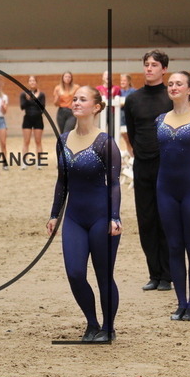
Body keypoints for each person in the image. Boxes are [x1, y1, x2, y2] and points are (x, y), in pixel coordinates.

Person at [46, 86, 122, 342]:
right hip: (74, 218)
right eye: (75, 99)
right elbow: (62, 181)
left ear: (96, 107)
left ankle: (108, 329)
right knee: (75, 273)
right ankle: (91, 323)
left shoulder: (105, 142)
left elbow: (114, 184)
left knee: (103, 276)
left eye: (83, 99)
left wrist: (114, 217)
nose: (76, 102)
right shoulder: (63, 140)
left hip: (102, 217)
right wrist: (55, 214)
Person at [156, 72, 190, 321]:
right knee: (174, 246)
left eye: (179, 83)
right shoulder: (159, 120)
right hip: (165, 189)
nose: (173, 87)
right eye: (170, 84)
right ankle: (180, 303)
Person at [124, 49, 173, 292]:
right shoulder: (133, 99)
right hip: (142, 165)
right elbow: (131, 132)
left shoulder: (170, 97)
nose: (149, 68)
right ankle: (154, 273)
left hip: (166, 165)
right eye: (147, 64)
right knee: (146, 220)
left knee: (165, 219)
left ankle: (168, 275)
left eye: (154, 65)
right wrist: (140, 153)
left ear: (164, 69)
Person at [19, 75, 46, 170]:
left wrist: (35, 98)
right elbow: (22, 107)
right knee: (26, 141)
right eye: (30, 81)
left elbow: (42, 108)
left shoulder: (41, 94)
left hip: (38, 119)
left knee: (38, 141)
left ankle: (39, 162)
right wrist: (27, 99)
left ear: (36, 83)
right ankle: (24, 162)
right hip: (27, 119)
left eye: (34, 81)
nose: (32, 82)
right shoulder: (23, 94)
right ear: (28, 83)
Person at [119, 74, 136, 155]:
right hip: (122, 116)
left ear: (129, 82)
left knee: (131, 137)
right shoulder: (120, 92)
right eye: (121, 80)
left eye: (124, 80)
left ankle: (133, 154)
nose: (122, 82)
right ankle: (130, 153)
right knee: (125, 137)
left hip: (130, 116)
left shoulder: (133, 91)